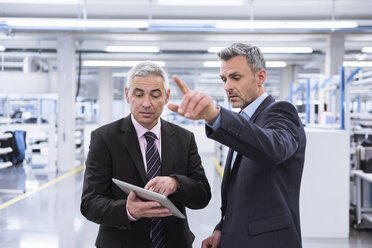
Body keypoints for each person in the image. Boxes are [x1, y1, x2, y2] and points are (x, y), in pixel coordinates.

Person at [168, 43, 306, 248]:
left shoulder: (281, 112)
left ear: (260, 77)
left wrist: (215, 115)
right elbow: (240, 196)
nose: (227, 86)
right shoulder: (244, 120)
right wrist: (221, 229)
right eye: (224, 79)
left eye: (236, 77)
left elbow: (273, 148)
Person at [81, 61, 211, 248]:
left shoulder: (184, 138)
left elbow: (202, 196)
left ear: (166, 97)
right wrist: (128, 210)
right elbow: (90, 203)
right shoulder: (105, 139)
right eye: (138, 94)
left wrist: (176, 183)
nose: (146, 104)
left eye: (155, 95)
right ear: (127, 95)